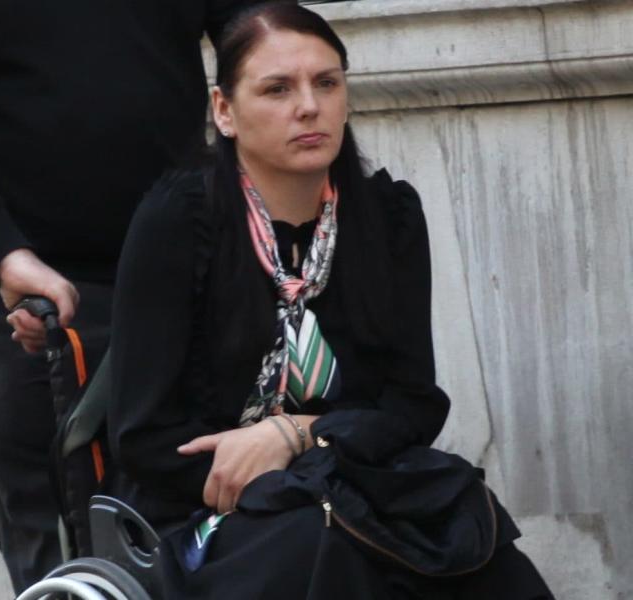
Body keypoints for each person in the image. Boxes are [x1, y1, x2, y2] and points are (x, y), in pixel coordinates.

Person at [107, 3, 555, 598]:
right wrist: (270, 470)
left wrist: (295, 436)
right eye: (276, 89)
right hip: (207, 510)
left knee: (469, 527)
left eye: (326, 82)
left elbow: (413, 404)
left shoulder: (388, 217)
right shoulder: (178, 222)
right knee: (327, 545)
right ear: (225, 111)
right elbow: (145, 439)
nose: (309, 106)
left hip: (354, 484)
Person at [0, 0, 266, 592]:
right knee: (72, 554)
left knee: (230, 530)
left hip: (189, 260)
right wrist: (0, 253)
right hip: (15, 286)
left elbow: (262, 32)